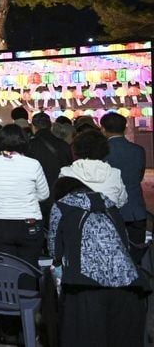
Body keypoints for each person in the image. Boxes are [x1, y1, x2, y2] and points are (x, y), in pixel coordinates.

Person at [49, 176, 148, 346]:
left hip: (85, 286)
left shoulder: (61, 206)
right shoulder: (109, 203)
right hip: (128, 283)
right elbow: (125, 242)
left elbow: (54, 249)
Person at [0, 124, 48, 340]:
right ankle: (26, 324)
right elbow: (44, 194)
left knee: (4, 273)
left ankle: (6, 326)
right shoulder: (33, 164)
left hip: (0, 222)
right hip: (29, 222)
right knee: (28, 270)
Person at [101, 112, 148, 261]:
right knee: (135, 258)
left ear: (103, 129)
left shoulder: (101, 151)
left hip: (109, 210)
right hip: (135, 209)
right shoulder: (138, 150)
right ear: (125, 128)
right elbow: (139, 176)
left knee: (112, 257)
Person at [58, 128, 127, 207]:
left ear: (77, 148)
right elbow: (122, 201)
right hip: (107, 217)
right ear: (104, 149)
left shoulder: (66, 172)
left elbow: (61, 200)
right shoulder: (115, 173)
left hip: (75, 218)